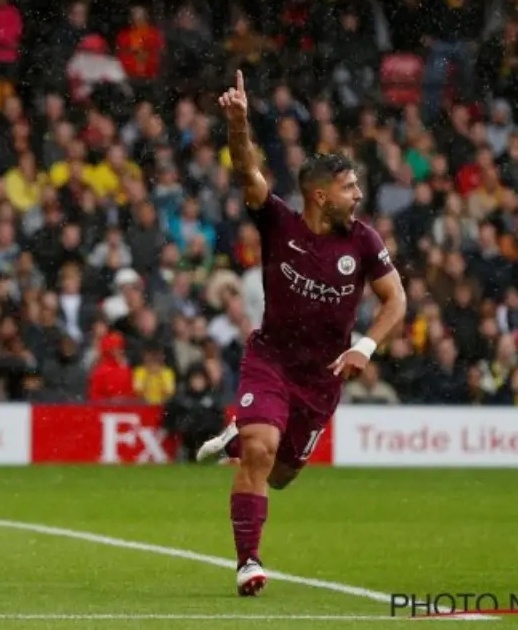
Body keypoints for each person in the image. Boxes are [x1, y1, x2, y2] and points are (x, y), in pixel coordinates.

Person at [196, 72, 407, 596]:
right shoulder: (279, 223)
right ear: (319, 195)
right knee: (261, 450)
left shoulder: (363, 241)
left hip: (320, 377)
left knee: (282, 474)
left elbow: (396, 300)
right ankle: (248, 562)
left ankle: (240, 433)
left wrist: (364, 346)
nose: (358, 195)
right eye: (349, 187)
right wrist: (238, 123)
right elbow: (245, 168)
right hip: (270, 359)